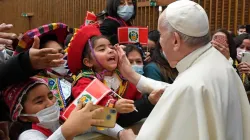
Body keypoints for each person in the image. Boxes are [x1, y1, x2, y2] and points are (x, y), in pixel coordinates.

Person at [115, 1, 250, 140]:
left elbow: (182, 90)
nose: (159, 41)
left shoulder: (190, 86)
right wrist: (132, 75)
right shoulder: (219, 62)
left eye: (161, 35)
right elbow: (173, 90)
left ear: (175, 41)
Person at [67, 25, 160, 128]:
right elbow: (87, 103)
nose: (110, 50)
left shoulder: (122, 77)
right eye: (102, 49)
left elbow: (137, 97)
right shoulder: (85, 81)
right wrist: (114, 105)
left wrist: (148, 100)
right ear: (88, 62)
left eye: (111, 47)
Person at [2, 78, 104, 140]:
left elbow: (98, 122)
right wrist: (67, 130)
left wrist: (120, 133)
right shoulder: (27, 135)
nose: (50, 103)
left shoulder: (63, 118)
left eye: (50, 97)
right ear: (23, 117)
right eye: (39, 101)